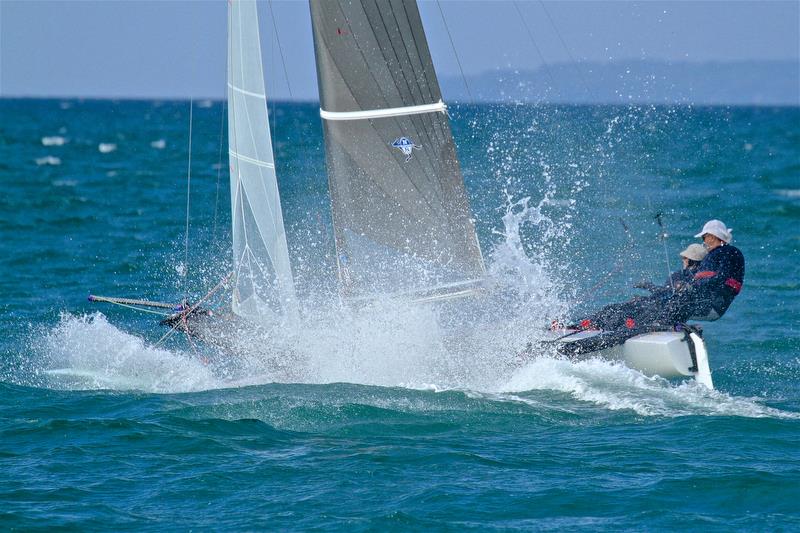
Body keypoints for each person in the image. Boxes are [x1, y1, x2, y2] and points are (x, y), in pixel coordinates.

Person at [579, 219, 744, 330]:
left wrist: (690, 286)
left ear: (713, 236)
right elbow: (705, 280)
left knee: (665, 305)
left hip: (710, 305)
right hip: (701, 302)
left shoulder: (728, 252)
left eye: (705, 237)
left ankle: (640, 326)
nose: (704, 241)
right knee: (641, 305)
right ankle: (588, 323)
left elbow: (720, 279)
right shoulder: (716, 255)